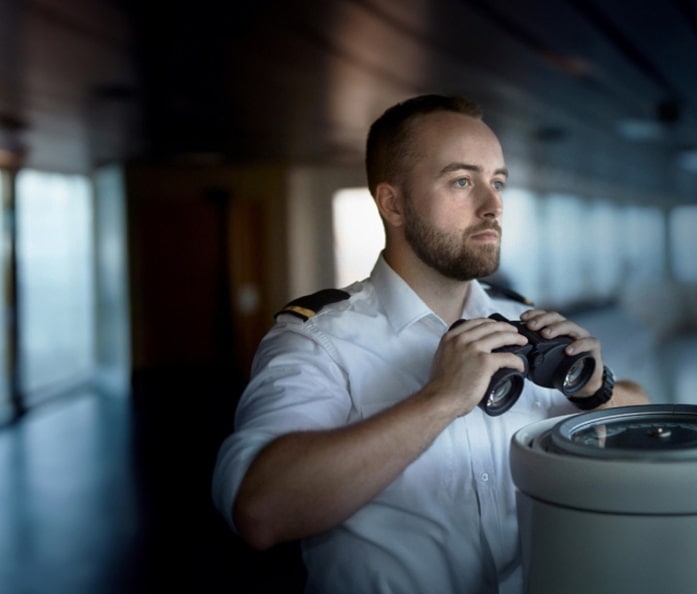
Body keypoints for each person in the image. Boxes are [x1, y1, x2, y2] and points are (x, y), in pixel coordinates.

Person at [211, 93, 650, 594]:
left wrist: (595, 389)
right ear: (392, 203)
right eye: (462, 181)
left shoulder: (521, 318)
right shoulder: (318, 340)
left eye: (497, 181)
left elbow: (645, 417)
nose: (493, 206)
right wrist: (439, 400)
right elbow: (261, 511)